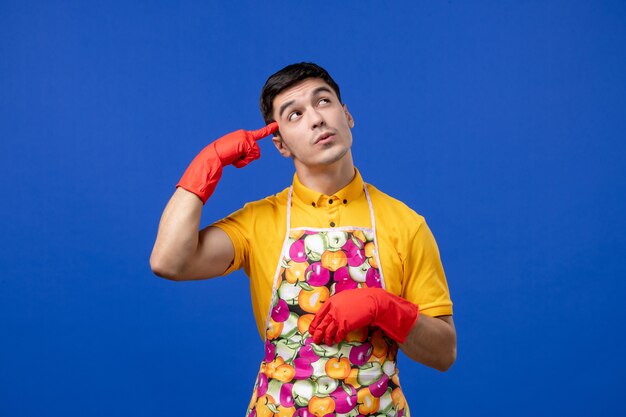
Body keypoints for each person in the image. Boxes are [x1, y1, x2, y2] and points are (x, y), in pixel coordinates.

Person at [150, 62, 456, 416]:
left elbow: (443, 352)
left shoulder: (406, 224)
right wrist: (207, 163)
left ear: (347, 115)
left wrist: (384, 306)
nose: (316, 119)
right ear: (280, 143)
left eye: (323, 102)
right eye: (294, 115)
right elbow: (168, 261)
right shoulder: (258, 221)